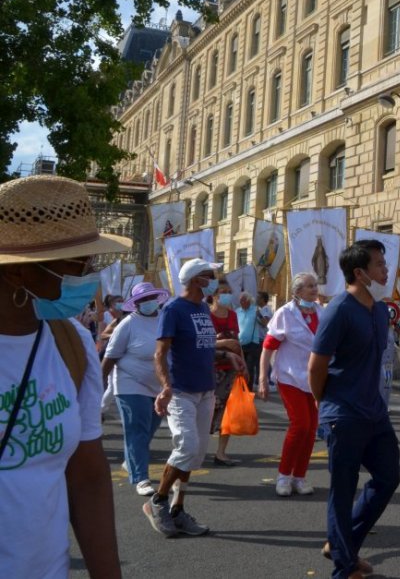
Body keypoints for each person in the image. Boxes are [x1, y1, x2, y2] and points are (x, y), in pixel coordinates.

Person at [0, 175, 127, 578]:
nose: (91, 273)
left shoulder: (70, 341)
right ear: (19, 273)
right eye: (79, 262)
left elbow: (86, 475)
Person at [309, 239, 400, 579]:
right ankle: (345, 567)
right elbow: (316, 367)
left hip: (375, 413)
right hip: (343, 415)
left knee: (389, 477)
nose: (385, 269)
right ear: (360, 273)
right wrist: (326, 405)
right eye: (379, 264)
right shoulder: (338, 310)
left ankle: (341, 542)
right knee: (343, 490)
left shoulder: (379, 310)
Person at [146, 258, 245, 538]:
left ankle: (178, 509)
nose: (216, 280)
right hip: (181, 391)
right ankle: (158, 502)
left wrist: (227, 354)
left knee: (197, 453)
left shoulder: (202, 308)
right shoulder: (174, 310)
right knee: (186, 447)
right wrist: (166, 386)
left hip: (205, 389)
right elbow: (160, 353)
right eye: (210, 275)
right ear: (195, 280)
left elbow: (201, 347)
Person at [103, 281, 171, 496]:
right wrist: (97, 385)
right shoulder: (127, 324)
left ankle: (131, 461)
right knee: (137, 430)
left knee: (150, 427)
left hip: (157, 386)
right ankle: (141, 478)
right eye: (142, 300)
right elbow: (110, 357)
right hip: (129, 382)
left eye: (150, 298)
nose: (147, 303)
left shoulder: (164, 320)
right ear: (136, 303)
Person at [258, 272, 322, 497]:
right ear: (297, 292)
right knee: (300, 425)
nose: (314, 289)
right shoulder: (284, 314)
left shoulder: (321, 312)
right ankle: (284, 476)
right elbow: (268, 347)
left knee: (311, 429)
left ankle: (300, 477)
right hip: (289, 377)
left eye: (315, 285)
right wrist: (263, 378)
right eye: (309, 286)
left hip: (314, 380)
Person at [208, 279, 242, 467]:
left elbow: (236, 342)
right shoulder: (206, 315)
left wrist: (242, 364)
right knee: (208, 411)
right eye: (223, 291)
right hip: (210, 369)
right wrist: (222, 343)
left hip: (230, 370)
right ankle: (195, 450)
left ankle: (221, 453)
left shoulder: (232, 315)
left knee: (228, 413)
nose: (227, 294)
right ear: (214, 295)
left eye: (229, 291)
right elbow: (202, 343)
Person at [236, 290, 267, 389]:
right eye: (240, 300)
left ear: (249, 301)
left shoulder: (255, 310)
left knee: (249, 368)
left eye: (243, 300)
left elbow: (265, 323)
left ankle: (248, 389)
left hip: (253, 344)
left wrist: (259, 314)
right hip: (240, 343)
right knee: (239, 367)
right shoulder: (237, 311)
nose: (241, 302)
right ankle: (240, 387)